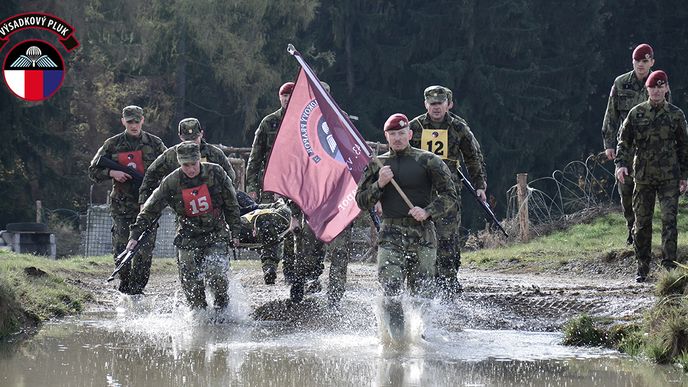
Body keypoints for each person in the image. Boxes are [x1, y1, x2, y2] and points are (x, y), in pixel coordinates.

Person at [356, 113, 457, 336]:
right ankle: (398, 341)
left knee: (421, 292)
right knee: (390, 290)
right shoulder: (378, 164)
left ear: (410, 134)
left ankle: (421, 336)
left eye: (402, 133)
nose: (398, 138)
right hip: (391, 234)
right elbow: (361, 201)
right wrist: (379, 184)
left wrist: (428, 211)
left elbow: (451, 195)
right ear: (386, 136)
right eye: (393, 134)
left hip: (422, 234)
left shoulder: (428, 160)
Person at [127, 142, 241, 309]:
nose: (190, 169)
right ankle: (199, 316)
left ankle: (222, 309)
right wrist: (134, 236)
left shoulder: (216, 173)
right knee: (190, 282)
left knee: (216, 273)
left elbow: (231, 204)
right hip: (188, 235)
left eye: (193, 164)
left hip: (215, 232)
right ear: (180, 163)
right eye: (185, 165)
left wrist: (235, 232)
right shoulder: (171, 182)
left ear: (199, 160)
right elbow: (150, 210)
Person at [408, 85, 486, 299]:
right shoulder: (413, 127)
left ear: (448, 104)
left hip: (448, 195)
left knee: (448, 240)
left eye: (440, 103)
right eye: (432, 103)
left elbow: (473, 157)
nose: (436, 108)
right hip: (420, 193)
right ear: (425, 104)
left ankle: (448, 283)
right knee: (418, 239)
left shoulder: (459, 128)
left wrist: (479, 185)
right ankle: (421, 285)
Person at [615, 70, 688, 282]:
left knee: (669, 221)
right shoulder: (636, 113)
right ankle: (643, 266)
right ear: (647, 89)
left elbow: (684, 147)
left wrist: (684, 176)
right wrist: (620, 165)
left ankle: (669, 267)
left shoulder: (676, 115)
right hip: (643, 177)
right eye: (652, 87)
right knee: (642, 223)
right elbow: (624, 142)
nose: (656, 91)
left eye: (660, 86)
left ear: (666, 88)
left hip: (669, 177)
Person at [88, 105, 167, 295]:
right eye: (129, 121)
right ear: (123, 121)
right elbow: (93, 170)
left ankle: (137, 292)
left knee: (144, 252)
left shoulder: (155, 144)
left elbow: (171, 167)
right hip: (122, 206)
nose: (133, 125)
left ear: (142, 120)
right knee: (121, 250)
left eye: (136, 121)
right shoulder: (112, 144)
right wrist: (111, 172)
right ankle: (124, 288)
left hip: (147, 207)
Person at [602, 43, 658, 245]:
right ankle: (631, 228)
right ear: (632, 61)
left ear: (651, 62)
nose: (640, 65)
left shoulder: (658, 83)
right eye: (637, 61)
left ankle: (643, 233)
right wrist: (609, 143)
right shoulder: (620, 83)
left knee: (645, 191)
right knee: (626, 190)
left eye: (645, 61)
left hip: (650, 148)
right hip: (625, 146)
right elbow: (611, 115)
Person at [246, 82, 296, 285]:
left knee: (293, 225)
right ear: (279, 98)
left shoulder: (304, 122)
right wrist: (251, 188)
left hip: (296, 184)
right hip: (271, 184)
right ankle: (269, 266)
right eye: (284, 96)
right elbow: (255, 157)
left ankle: (291, 270)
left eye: (290, 95)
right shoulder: (269, 123)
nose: (287, 99)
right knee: (268, 223)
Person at [139, 117, 237, 205]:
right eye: (187, 139)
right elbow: (151, 174)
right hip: (183, 206)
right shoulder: (171, 155)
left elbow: (229, 175)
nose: (191, 142)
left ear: (201, 134)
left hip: (212, 204)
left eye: (194, 138)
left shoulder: (215, 154)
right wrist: (144, 201)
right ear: (180, 137)